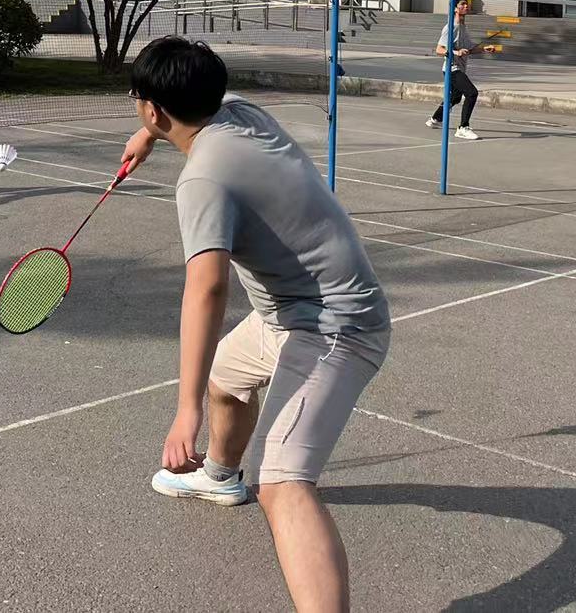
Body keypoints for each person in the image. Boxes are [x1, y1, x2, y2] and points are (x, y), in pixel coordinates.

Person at [120, 37, 389, 613]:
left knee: (282, 485)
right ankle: (220, 476)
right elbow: (203, 106)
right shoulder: (241, 113)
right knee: (227, 377)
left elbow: (207, 290)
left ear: (153, 108)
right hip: (287, 314)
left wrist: (184, 410)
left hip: (336, 327)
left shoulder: (202, 181)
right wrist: (147, 137)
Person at [425, 0, 499, 141]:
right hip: (452, 69)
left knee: (455, 97)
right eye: (463, 4)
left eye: (467, 4)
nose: (466, 6)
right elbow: (439, 49)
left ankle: (435, 119)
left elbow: (469, 49)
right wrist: (456, 52)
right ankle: (463, 128)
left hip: (460, 68)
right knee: (471, 93)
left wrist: (484, 49)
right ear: (455, 8)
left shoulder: (463, 27)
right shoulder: (451, 27)